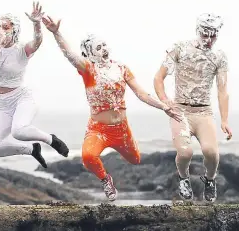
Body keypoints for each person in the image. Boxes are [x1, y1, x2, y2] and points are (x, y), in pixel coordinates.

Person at [41, 15, 182, 201]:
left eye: (104, 45)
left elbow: (141, 93)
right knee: (88, 156)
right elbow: (70, 55)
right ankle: (106, 179)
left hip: (121, 129)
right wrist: (56, 33)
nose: (104, 50)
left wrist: (163, 106)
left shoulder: (122, 68)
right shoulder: (88, 69)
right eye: (98, 48)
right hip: (98, 129)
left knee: (135, 160)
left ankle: (118, 150)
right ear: (90, 54)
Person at [0, 2, 70, 169]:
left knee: (19, 130)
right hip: (4, 105)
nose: (0, 30)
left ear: (14, 29)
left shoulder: (21, 50)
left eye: (5, 27)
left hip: (23, 98)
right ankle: (31, 150)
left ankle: (51, 139)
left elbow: (37, 42)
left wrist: (36, 23)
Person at [153, 13, 232, 203]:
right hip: (180, 110)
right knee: (186, 152)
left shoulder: (219, 57)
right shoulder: (179, 48)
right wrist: (165, 101)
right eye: (205, 34)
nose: (209, 39)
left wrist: (224, 120)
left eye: (213, 35)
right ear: (198, 31)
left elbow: (222, 91)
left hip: (204, 112)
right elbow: (158, 78)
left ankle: (210, 180)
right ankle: (183, 178)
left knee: (211, 153)